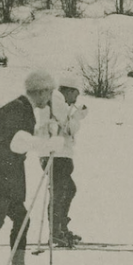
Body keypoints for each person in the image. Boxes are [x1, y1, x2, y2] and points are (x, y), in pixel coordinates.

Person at [0, 69, 64, 265]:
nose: (49, 98)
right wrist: (46, 144)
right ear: (40, 92)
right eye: (48, 93)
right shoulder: (18, 109)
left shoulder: (23, 109)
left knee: (21, 219)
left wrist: (45, 131)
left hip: (9, 174)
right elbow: (17, 141)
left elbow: (18, 137)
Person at [37, 74, 89, 247]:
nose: (76, 98)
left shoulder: (56, 101)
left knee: (68, 189)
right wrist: (78, 116)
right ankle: (56, 231)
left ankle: (60, 229)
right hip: (56, 154)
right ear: (70, 91)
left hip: (59, 154)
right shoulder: (56, 100)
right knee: (60, 191)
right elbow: (69, 127)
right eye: (76, 93)